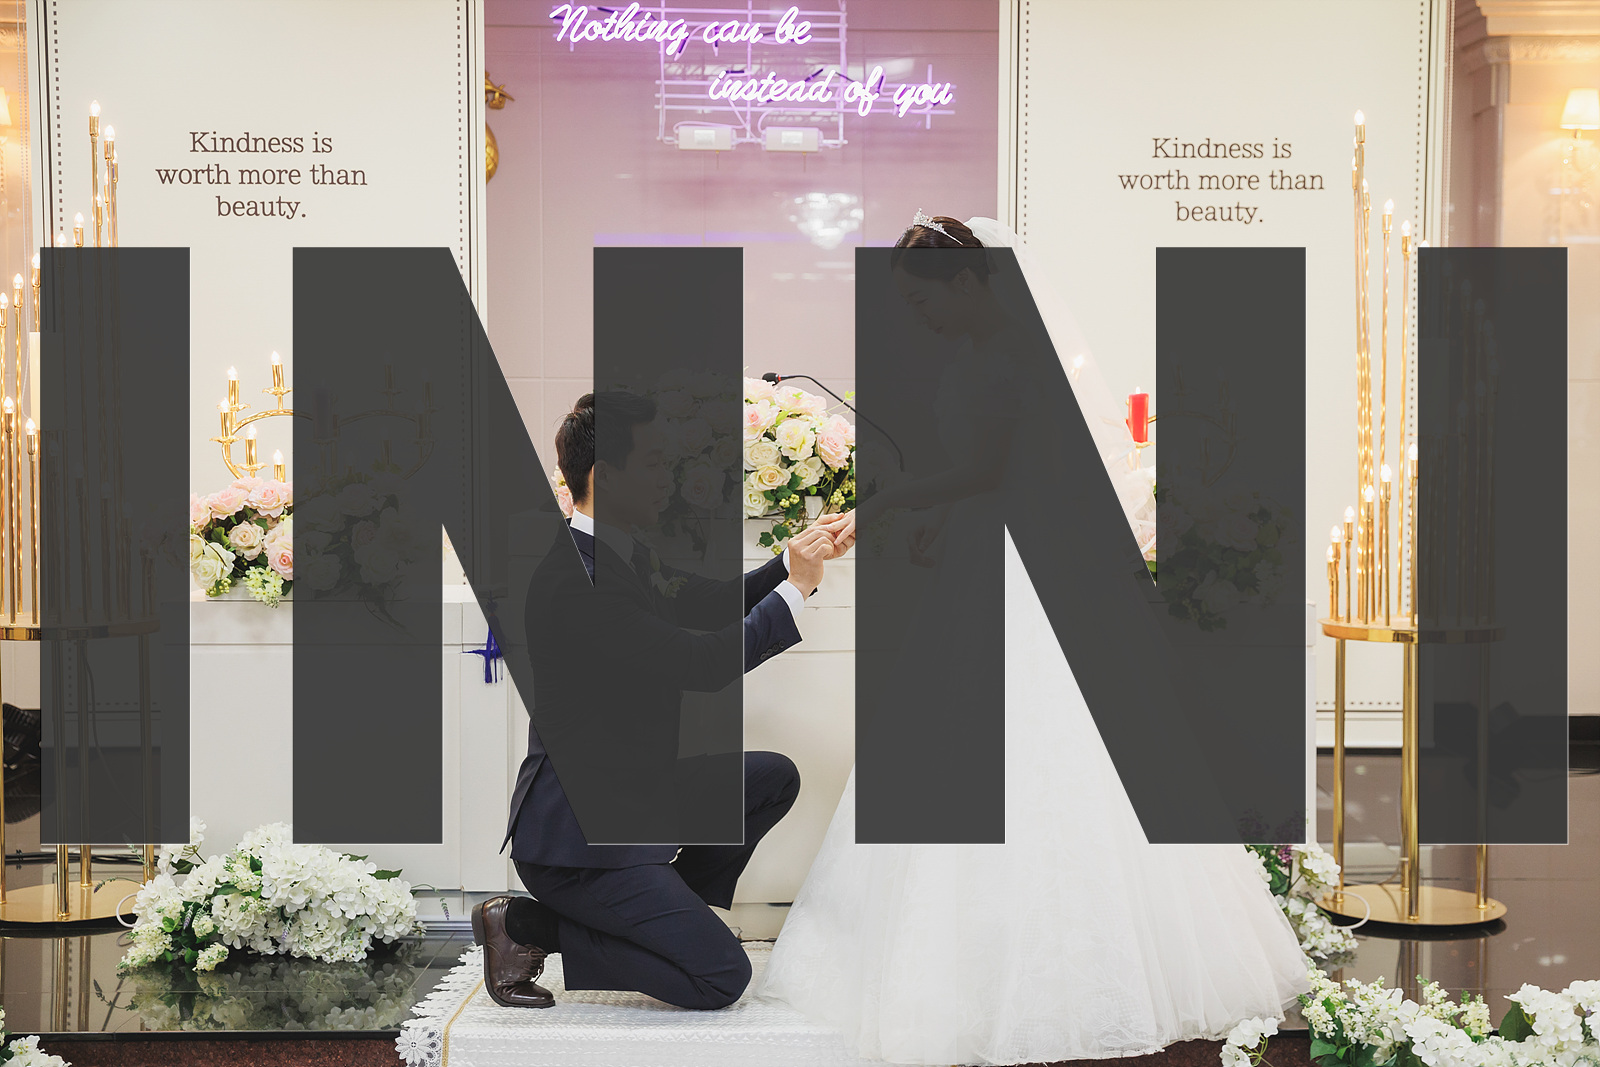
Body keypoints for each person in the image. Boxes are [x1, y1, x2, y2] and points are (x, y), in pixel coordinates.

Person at [759, 215, 1309, 1065]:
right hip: (993, 558)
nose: (920, 319)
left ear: (967, 281)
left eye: (924, 302)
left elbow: (988, 470)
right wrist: (938, 522)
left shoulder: (1013, 355)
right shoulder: (982, 354)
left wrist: (886, 506)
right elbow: (997, 478)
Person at [473, 391, 841, 1011]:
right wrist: (799, 592)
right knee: (720, 979)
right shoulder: (578, 581)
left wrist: (793, 559)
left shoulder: (620, 549)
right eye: (653, 463)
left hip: (632, 793)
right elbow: (702, 664)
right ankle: (528, 926)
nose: (667, 477)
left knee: (770, 779)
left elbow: (710, 603)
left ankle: (663, 918)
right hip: (581, 842)